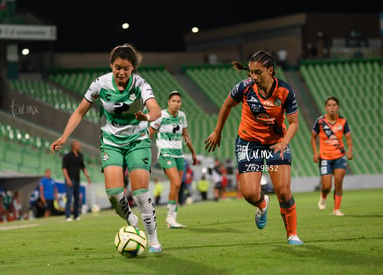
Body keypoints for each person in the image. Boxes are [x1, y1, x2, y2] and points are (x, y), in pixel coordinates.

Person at [50, 43, 162, 253]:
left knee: (140, 193)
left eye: (126, 68)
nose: (121, 72)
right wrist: (64, 136)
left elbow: (156, 110)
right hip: (111, 142)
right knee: (113, 194)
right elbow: (79, 111)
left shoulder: (140, 84)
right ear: (111, 65)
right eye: (117, 67)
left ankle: (154, 239)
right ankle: (129, 218)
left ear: (132, 69)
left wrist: (146, 116)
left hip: (137, 141)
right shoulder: (100, 84)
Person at [204, 50, 303, 245]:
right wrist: (217, 131)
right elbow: (226, 106)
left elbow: (294, 123)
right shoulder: (244, 87)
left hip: (276, 144)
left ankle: (292, 234)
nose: (253, 77)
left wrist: (284, 142)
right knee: (249, 194)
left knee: (283, 191)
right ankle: (262, 203)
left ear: (271, 70)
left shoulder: (285, 91)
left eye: (258, 72)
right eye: (251, 72)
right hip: (248, 143)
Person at [149, 90, 198, 229]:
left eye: (178, 101)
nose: (176, 104)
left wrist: (193, 153)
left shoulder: (182, 116)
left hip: (179, 155)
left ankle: (172, 220)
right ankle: (170, 218)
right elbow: (150, 133)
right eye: (173, 101)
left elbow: (185, 136)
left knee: (176, 187)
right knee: (176, 183)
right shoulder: (161, 116)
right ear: (168, 102)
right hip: (165, 153)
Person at [310, 96, 353, 216]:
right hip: (325, 157)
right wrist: (315, 152)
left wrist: (349, 150)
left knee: (338, 182)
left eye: (334, 105)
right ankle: (323, 195)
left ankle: (336, 209)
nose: (332, 108)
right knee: (327, 186)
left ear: (338, 107)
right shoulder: (320, 122)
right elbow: (313, 137)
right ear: (326, 107)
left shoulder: (343, 122)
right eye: (329, 105)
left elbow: (348, 139)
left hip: (339, 156)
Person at [62, 140, 91, 221]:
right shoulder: (67, 156)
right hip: (70, 179)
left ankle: (76, 215)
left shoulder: (80, 155)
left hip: (77, 179)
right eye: (78, 145)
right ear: (74, 146)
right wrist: (68, 179)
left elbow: (83, 167)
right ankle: (67, 216)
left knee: (77, 198)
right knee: (69, 198)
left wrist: (87, 177)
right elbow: (64, 169)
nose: (79, 146)